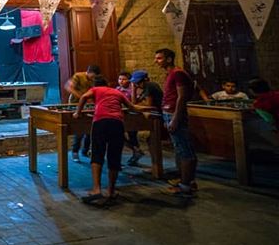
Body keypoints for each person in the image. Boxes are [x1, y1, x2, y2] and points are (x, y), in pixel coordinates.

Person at [74, 77, 146, 203]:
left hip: (100, 122)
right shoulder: (117, 92)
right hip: (117, 123)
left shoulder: (95, 89)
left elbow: (84, 97)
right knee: (114, 156)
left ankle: (96, 189)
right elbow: (132, 107)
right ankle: (111, 191)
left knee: (97, 154)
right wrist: (148, 109)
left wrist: (78, 112)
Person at [155, 48, 197, 196]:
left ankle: (186, 185)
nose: (156, 61)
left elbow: (181, 97)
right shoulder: (170, 74)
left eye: (159, 58)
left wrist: (175, 118)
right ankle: (186, 180)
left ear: (169, 59)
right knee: (179, 149)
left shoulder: (178, 73)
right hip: (169, 113)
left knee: (185, 150)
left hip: (174, 114)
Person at [65, 65, 101, 161]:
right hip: (76, 104)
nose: (93, 79)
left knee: (90, 128)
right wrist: (82, 97)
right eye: (92, 76)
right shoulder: (78, 76)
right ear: (88, 72)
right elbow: (69, 87)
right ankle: (75, 151)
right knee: (79, 129)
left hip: (88, 105)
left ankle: (85, 150)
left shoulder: (94, 80)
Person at [116, 72, 143, 165]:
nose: (121, 81)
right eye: (119, 79)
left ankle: (135, 153)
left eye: (123, 79)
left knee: (132, 135)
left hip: (131, 116)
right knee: (119, 136)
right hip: (120, 116)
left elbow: (134, 102)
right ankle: (136, 150)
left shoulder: (133, 90)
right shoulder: (117, 89)